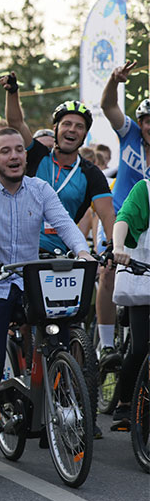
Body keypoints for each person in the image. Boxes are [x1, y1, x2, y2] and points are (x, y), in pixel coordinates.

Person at [0, 128, 95, 474]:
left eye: (19, 149)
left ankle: (58, 409)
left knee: (58, 341)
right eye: (5, 151)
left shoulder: (40, 188)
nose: (15, 156)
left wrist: (82, 251)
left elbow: (64, 223)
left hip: (32, 282)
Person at [5, 76, 117, 363]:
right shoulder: (38, 156)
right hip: (25, 251)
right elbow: (16, 123)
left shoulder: (90, 173)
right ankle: (24, 369)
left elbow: (107, 213)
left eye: (79, 127)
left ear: (84, 136)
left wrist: (113, 246)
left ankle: (66, 381)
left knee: (66, 322)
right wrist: (13, 92)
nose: (72, 130)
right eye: (66, 124)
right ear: (56, 129)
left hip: (63, 254)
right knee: (28, 318)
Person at [109, 178, 149, 431]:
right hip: (145, 280)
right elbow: (123, 218)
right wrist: (118, 247)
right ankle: (125, 402)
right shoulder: (146, 188)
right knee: (141, 346)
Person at [100, 63, 149, 213]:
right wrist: (113, 81)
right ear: (140, 123)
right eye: (149, 122)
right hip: (117, 216)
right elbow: (109, 107)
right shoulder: (130, 133)